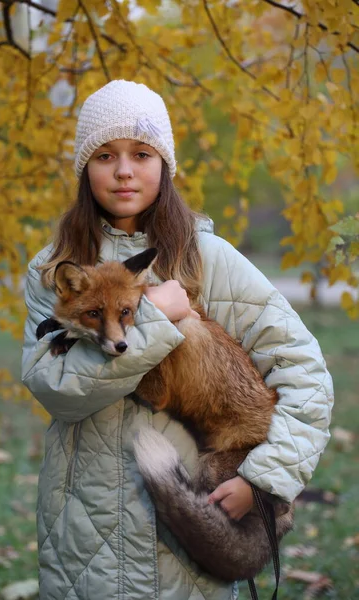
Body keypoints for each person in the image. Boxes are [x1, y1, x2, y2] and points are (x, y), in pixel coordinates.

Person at [21, 80, 334, 600]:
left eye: (141, 153)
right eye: (105, 155)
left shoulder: (210, 259)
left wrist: (264, 478)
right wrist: (155, 320)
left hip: (190, 536)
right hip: (83, 529)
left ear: (164, 164)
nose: (124, 170)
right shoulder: (53, 269)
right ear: (85, 169)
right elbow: (58, 390)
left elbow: (306, 372)